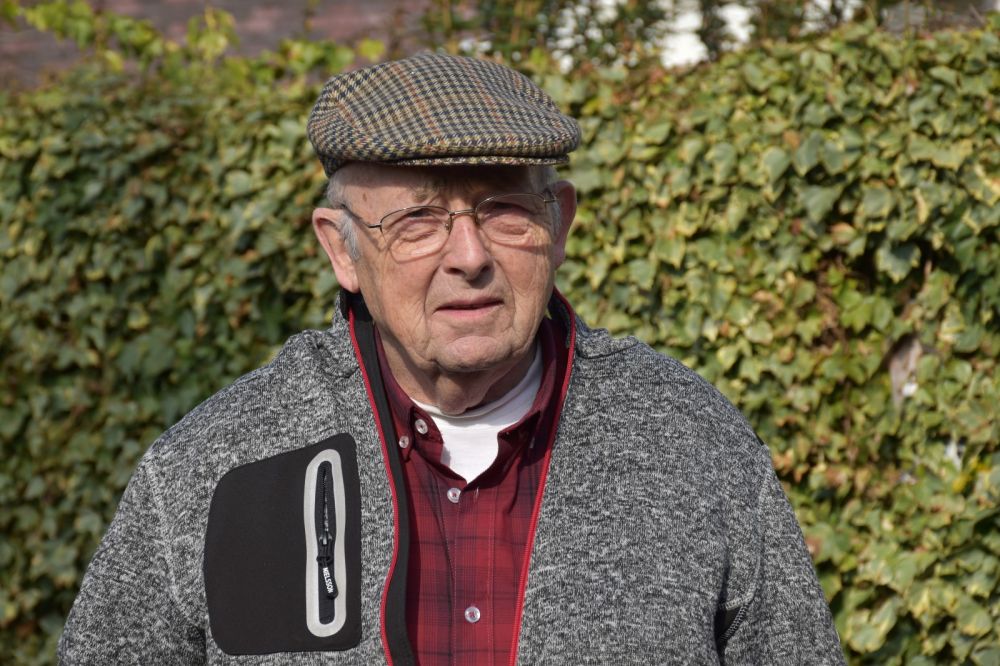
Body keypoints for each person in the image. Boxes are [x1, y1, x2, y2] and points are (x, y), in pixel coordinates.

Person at [59, 52, 845, 665]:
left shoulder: (691, 441)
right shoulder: (213, 468)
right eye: (418, 220)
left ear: (559, 223)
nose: (469, 256)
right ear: (342, 250)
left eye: (505, 210)